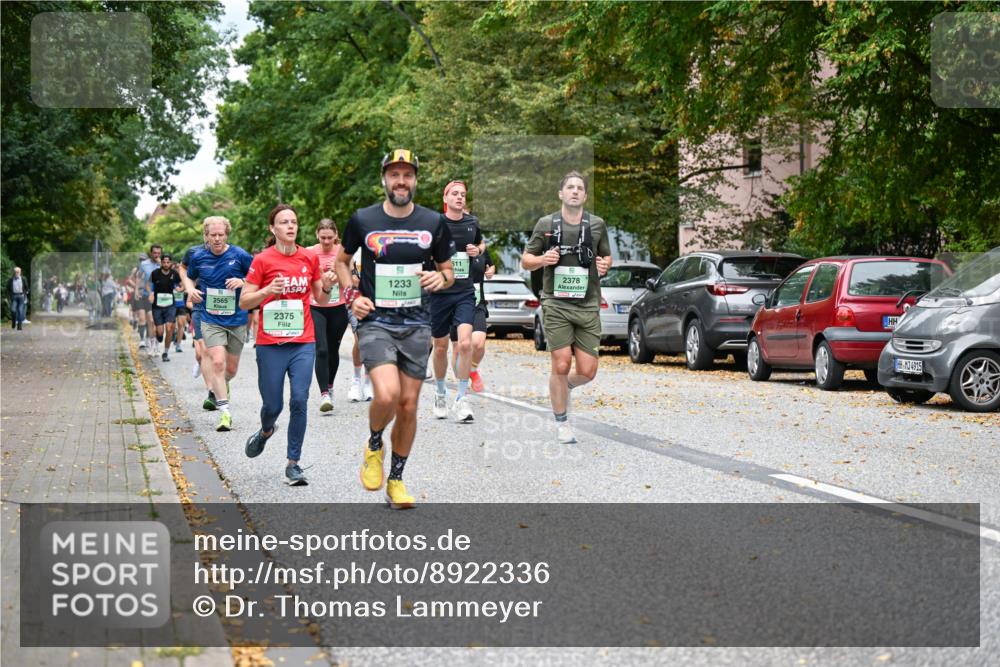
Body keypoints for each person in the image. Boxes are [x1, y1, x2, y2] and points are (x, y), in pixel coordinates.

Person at [334, 149, 455, 509]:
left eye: (407, 175)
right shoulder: (362, 219)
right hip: (376, 321)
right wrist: (351, 295)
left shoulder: (434, 222)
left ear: (415, 180)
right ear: (384, 179)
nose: (401, 181)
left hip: (417, 322)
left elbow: (449, 272)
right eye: (394, 175)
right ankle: (374, 445)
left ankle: (397, 479)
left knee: (408, 404)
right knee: (386, 395)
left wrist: (440, 277)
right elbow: (342, 262)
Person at [241, 204, 338, 486]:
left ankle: (293, 463)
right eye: (284, 222)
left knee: (299, 399)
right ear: (273, 228)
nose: (290, 226)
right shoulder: (262, 260)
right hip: (270, 344)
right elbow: (245, 301)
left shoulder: (308, 257)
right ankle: (265, 431)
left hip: (302, 341)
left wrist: (329, 284)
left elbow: (320, 299)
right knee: (272, 405)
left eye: (294, 221)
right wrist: (267, 291)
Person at [521, 171, 612, 444]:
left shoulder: (596, 225)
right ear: (561, 194)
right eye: (569, 187)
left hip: (587, 305)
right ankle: (562, 422)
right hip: (556, 303)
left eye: (579, 188)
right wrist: (542, 259)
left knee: (587, 371)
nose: (574, 191)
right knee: (561, 362)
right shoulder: (546, 223)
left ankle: (565, 387)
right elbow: (526, 260)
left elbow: (606, 256)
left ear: (584, 195)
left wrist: (605, 265)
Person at [182, 217, 253, 432]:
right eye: (212, 235)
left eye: (221, 234)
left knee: (230, 369)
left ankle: (223, 384)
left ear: (226, 234)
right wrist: (190, 289)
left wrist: (243, 282)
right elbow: (188, 276)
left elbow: (258, 276)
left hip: (237, 319)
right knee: (218, 363)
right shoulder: (199, 257)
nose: (217, 239)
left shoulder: (240, 255)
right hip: (210, 318)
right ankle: (225, 413)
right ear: (206, 235)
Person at [429, 181, 485, 422]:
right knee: (440, 346)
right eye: (455, 194)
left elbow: (481, 243)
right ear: (446, 198)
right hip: (440, 293)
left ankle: (462, 398)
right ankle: (440, 391)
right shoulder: (434, 224)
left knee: (464, 345)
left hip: (464, 292)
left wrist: (478, 251)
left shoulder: (472, 223)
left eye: (463, 194)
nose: (460, 198)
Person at [307, 219, 349, 412]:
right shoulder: (309, 252)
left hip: (338, 306)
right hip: (316, 306)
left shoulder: (343, 252)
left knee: (333, 349)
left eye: (329, 238)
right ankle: (324, 394)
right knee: (321, 349)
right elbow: (304, 279)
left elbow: (354, 280)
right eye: (323, 238)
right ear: (317, 235)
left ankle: (330, 386)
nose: (326, 242)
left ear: (336, 235)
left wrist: (338, 273)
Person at [451, 252, 495, 392]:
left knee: (479, 343)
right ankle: (461, 387)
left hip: (477, 303)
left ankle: (472, 370)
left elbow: (491, 265)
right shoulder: (451, 247)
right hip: (455, 303)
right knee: (459, 348)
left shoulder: (480, 250)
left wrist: (490, 271)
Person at [346, 248, 373, 402]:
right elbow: (352, 279)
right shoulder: (354, 251)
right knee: (360, 340)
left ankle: (368, 383)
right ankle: (356, 380)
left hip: (376, 300)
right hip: (356, 299)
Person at [149, 254, 181, 362]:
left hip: (170, 304)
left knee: (169, 328)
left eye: (168, 262)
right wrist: (151, 293)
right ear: (161, 263)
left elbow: (180, 284)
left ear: (170, 263)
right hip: (157, 305)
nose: (166, 264)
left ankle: (165, 353)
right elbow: (149, 285)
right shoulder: (155, 273)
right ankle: (159, 337)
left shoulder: (174, 273)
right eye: (164, 262)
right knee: (160, 332)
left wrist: (180, 288)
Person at [136, 245, 162, 349]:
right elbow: (139, 276)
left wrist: (161, 264)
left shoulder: (163, 264)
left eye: (159, 253)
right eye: (155, 253)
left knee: (152, 320)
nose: (156, 255)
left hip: (159, 296)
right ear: (151, 253)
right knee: (144, 319)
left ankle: (152, 340)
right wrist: (136, 291)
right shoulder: (144, 264)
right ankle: (144, 340)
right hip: (146, 295)